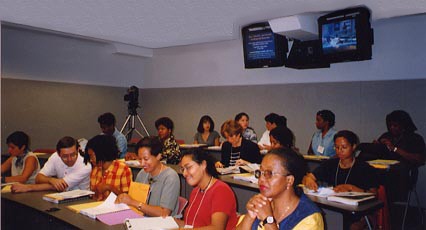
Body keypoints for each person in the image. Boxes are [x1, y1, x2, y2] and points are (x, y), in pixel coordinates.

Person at [237, 148, 323, 230]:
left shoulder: (309, 217)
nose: (261, 179)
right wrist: (250, 216)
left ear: (289, 180)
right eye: (260, 172)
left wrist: (268, 220)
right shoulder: (263, 203)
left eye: (269, 173)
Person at [116, 136, 180, 217]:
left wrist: (133, 202)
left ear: (158, 156)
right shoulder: (142, 173)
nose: (142, 164)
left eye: (146, 159)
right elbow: (134, 201)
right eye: (139, 159)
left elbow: (164, 213)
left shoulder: (171, 177)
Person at [177, 149, 238, 229]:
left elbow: (217, 228)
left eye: (188, 168)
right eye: (182, 169)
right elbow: (191, 224)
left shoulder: (221, 190)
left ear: (203, 165)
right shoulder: (196, 191)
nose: (184, 173)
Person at [303, 130, 379, 193]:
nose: (340, 150)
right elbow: (308, 177)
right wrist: (309, 180)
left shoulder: (365, 168)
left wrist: (351, 188)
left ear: (353, 147)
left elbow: (373, 194)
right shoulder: (330, 164)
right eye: (337, 147)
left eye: (344, 147)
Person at [376, 110, 425, 202]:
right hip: (383, 171)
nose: (392, 128)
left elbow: (420, 159)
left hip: (401, 175)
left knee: (388, 178)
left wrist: (394, 148)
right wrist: (375, 146)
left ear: (404, 125)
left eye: (395, 125)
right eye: (390, 125)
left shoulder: (415, 138)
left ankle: (385, 207)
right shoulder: (386, 136)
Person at [11, 136, 92, 193]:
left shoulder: (85, 166)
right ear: (58, 153)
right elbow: (38, 178)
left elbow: (62, 186)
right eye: (65, 156)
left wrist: (28, 188)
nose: (70, 159)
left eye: (73, 154)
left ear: (78, 150)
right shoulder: (55, 157)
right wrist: (51, 180)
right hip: (62, 196)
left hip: (82, 199)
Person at [84, 135, 132, 201]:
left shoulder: (123, 170)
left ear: (101, 153)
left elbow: (128, 199)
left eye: (91, 156)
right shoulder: (95, 170)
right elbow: (93, 196)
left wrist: (109, 187)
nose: (91, 160)